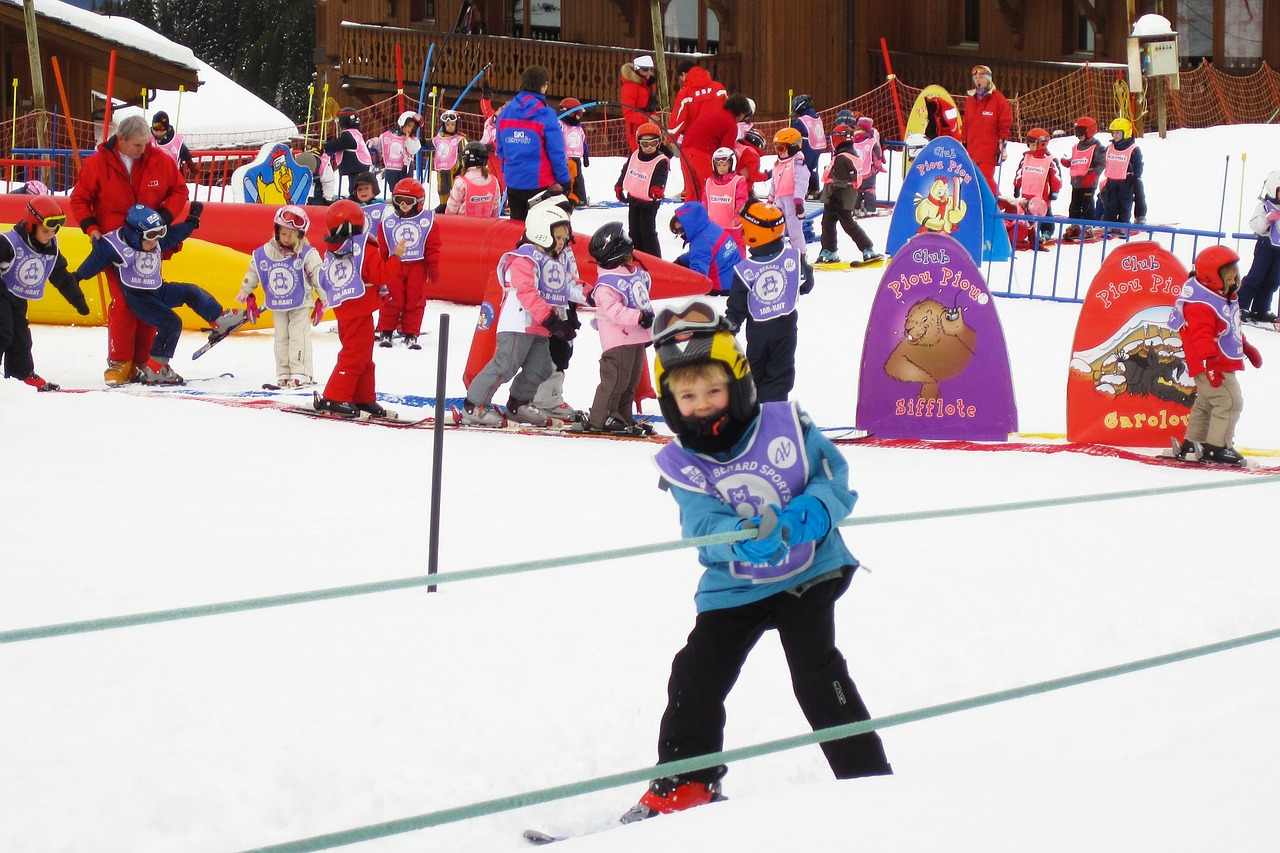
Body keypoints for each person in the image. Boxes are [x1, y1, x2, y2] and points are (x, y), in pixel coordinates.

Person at [620, 299, 891, 823]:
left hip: (807, 572)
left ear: (738, 381)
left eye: (713, 390)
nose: (702, 405)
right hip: (736, 586)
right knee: (695, 671)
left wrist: (805, 518)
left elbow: (832, 479)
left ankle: (866, 779)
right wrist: (740, 539)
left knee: (815, 671)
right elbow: (700, 527)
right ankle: (687, 782)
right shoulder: (682, 462)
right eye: (687, 395)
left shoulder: (785, 423)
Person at [69, 113, 189, 386]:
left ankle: (142, 360)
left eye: (145, 144)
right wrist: (91, 228)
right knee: (124, 301)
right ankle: (119, 361)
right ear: (120, 140)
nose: (143, 149)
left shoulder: (160, 160)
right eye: (137, 145)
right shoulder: (97, 164)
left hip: (149, 247)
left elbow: (179, 191)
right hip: (115, 246)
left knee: (148, 302)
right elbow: (79, 199)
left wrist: (164, 220)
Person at [72, 203, 246, 384]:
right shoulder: (114, 246)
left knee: (191, 292)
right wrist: (75, 278)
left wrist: (192, 221)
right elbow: (94, 262)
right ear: (133, 235)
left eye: (157, 238)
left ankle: (219, 320)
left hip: (158, 290)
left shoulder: (154, 239)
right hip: (140, 299)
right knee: (171, 323)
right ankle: (155, 368)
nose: (154, 244)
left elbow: (175, 234)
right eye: (149, 240)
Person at [457, 198, 586, 426]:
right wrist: (551, 320)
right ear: (541, 234)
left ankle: (518, 403)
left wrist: (594, 295)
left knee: (542, 367)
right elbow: (527, 293)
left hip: (539, 328)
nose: (562, 243)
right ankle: (472, 405)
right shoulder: (523, 259)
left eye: (564, 238)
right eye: (558, 238)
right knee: (505, 365)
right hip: (518, 324)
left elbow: (569, 285)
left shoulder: (551, 262)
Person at [1169, 245, 1263, 466]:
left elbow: (1231, 328)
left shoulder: (1220, 296)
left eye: (1235, 277)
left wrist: (1246, 348)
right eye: (1229, 278)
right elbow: (1200, 336)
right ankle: (1218, 446)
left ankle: (1194, 443)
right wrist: (1210, 363)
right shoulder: (1201, 304)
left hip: (1215, 362)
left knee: (1207, 402)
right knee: (1229, 401)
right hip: (1211, 363)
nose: (1233, 282)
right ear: (1213, 278)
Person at [312, 199, 406, 417]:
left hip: (346, 311)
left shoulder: (334, 249)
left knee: (363, 357)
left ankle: (362, 397)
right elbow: (380, 274)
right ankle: (334, 397)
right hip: (360, 311)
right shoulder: (364, 249)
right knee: (354, 356)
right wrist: (396, 257)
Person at [570, 221, 654, 435]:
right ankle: (599, 419)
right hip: (618, 340)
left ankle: (620, 417)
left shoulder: (633, 272)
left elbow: (641, 298)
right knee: (614, 380)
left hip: (635, 337)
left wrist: (647, 328)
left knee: (630, 382)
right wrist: (639, 317)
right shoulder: (606, 285)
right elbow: (614, 311)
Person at [725, 200, 814, 402]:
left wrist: (732, 323)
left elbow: (737, 305)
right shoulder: (794, 258)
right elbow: (807, 285)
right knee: (780, 373)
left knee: (755, 370)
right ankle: (774, 410)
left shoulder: (745, 269)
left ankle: (754, 410)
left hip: (759, 332)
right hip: (786, 328)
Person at [0, 195, 90, 391]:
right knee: (3, 331)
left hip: (16, 298)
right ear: (31, 226)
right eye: (46, 230)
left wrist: (78, 300)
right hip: (1, 293)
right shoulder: (8, 242)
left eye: (54, 230)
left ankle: (21, 374)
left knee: (21, 336)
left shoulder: (50, 250)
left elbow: (62, 277)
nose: (51, 235)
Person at [235, 205, 323, 388]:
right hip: (277, 302)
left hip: (301, 302)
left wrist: (323, 299)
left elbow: (318, 275)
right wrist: (247, 291)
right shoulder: (264, 253)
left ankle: (301, 372)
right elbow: (254, 271)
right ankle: (284, 372)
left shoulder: (307, 253)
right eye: (284, 233)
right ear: (277, 232)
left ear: (300, 234)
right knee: (281, 337)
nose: (287, 238)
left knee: (299, 336)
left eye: (292, 234)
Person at [374, 177, 441, 350]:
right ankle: (386, 330)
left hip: (417, 266)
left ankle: (411, 332)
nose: (403, 205)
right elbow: (381, 246)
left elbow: (433, 247)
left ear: (418, 202)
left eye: (408, 201)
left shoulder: (427, 221)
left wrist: (433, 268)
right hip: (394, 265)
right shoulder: (387, 222)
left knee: (415, 299)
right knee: (391, 298)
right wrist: (380, 268)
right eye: (399, 200)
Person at [496, 65, 570, 220]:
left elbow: (501, 149)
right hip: (540, 185)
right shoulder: (545, 114)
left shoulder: (505, 113)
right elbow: (556, 152)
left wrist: (508, 170)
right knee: (540, 231)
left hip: (514, 182)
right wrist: (564, 180)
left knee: (517, 229)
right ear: (543, 86)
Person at [815, 124, 879, 265]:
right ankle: (829, 249)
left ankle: (867, 248)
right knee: (828, 223)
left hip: (837, 197)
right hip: (841, 196)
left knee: (846, 224)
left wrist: (834, 198)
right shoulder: (850, 155)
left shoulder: (842, 157)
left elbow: (840, 181)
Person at [681, 93, 754, 204]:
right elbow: (725, 152)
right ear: (741, 113)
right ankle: (710, 218)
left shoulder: (713, 113)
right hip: (701, 154)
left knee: (692, 192)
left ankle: (687, 219)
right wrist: (740, 168)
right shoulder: (730, 124)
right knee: (710, 190)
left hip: (685, 152)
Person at [614, 122, 670, 259]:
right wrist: (619, 186)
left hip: (649, 203)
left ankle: (654, 259)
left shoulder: (661, 160)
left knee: (647, 232)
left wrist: (657, 188)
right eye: (645, 144)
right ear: (639, 143)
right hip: (633, 199)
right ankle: (637, 256)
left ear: (659, 143)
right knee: (634, 231)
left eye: (653, 143)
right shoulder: (634, 156)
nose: (649, 147)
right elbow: (626, 171)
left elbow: (660, 176)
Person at [671, 201, 742, 297]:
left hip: (722, 287)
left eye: (680, 230)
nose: (680, 234)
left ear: (690, 225)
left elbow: (698, 277)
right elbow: (705, 253)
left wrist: (676, 285)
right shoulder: (711, 227)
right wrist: (681, 260)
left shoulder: (701, 242)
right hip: (736, 278)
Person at [962, 64, 1013, 194]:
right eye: (976, 78)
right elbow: (966, 123)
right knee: (971, 180)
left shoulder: (998, 99)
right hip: (972, 150)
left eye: (981, 77)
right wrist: (963, 141)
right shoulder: (970, 99)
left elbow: (1005, 123)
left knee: (986, 180)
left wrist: (1002, 144)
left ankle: (999, 207)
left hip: (988, 151)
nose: (978, 80)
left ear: (988, 79)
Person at [1008, 127, 1062, 249]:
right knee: (1027, 214)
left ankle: (1047, 230)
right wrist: (1017, 186)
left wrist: (1055, 191)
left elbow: (1056, 176)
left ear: (1042, 144)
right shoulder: (1026, 158)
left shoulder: (1049, 160)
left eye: (1032, 144)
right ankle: (1030, 233)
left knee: (1045, 213)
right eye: (1029, 144)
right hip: (1027, 193)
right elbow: (1020, 173)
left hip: (1042, 195)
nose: (1030, 147)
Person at [1238, 170, 1280, 323]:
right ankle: (1241, 305)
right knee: (1257, 276)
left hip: (1279, 248)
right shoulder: (1264, 206)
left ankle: (1261, 308)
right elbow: (1255, 225)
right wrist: (1267, 219)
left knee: (1273, 279)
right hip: (1265, 245)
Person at [1060, 116, 1105, 241]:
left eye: (1080, 132)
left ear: (1090, 131)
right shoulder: (1076, 147)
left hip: (1088, 183)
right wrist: (1068, 162)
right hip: (1076, 182)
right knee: (1074, 205)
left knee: (1087, 206)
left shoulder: (1097, 147)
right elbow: (1077, 160)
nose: (1077, 136)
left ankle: (1088, 227)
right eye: (1076, 132)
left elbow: (1101, 163)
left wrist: (1093, 175)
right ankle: (1075, 226)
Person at [769, 127, 810, 252]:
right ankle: (777, 254)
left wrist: (798, 201)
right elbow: (774, 182)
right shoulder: (778, 163)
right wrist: (770, 199)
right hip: (779, 201)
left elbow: (801, 181)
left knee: (794, 231)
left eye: (781, 148)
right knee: (777, 231)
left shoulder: (797, 162)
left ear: (793, 147)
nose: (779, 152)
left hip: (792, 201)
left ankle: (801, 256)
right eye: (777, 148)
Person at [320, 107, 374, 201]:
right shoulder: (356, 133)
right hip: (361, 163)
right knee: (359, 183)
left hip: (356, 164)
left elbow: (339, 144)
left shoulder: (348, 134)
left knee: (355, 184)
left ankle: (355, 199)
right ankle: (357, 198)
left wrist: (326, 146)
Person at [702, 147, 749, 254]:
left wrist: (738, 217)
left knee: (737, 251)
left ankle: (739, 269)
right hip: (714, 226)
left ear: (731, 164)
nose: (721, 168)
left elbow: (742, 200)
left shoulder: (738, 181)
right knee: (716, 252)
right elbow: (705, 202)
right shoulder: (709, 182)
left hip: (733, 226)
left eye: (725, 165)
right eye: (718, 165)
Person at [1099, 117, 1143, 229]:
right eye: (1113, 133)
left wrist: (1136, 176)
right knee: (1110, 203)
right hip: (1111, 180)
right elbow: (1104, 160)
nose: (1115, 136)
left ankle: (1123, 224)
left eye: (1118, 133)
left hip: (1126, 181)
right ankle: (1109, 224)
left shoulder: (1133, 149)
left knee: (1125, 203)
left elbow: (1138, 163)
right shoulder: (1110, 147)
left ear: (1125, 133)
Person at [371, 110, 422, 197]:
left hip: (405, 169)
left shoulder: (413, 139)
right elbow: (382, 145)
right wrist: (375, 142)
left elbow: (413, 150)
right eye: (408, 126)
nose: (409, 129)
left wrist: (408, 140)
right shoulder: (387, 135)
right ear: (402, 122)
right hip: (391, 169)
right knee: (394, 190)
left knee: (406, 190)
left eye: (412, 128)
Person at [445, 142, 502, 218]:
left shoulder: (461, 182)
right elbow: (495, 208)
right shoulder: (494, 181)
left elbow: (452, 208)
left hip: (464, 226)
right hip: (486, 226)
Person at [789, 94, 826, 199]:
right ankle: (814, 189)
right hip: (818, 146)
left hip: (807, 146)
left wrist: (793, 122)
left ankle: (803, 190)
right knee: (811, 168)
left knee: (803, 168)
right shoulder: (816, 117)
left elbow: (794, 131)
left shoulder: (801, 120)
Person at [619, 54, 658, 152]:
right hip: (636, 131)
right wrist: (648, 119)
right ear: (637, 69)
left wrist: (653, 118)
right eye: (645, 69)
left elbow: (652, 106)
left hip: (650, 128)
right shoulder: (630, 87)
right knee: (639, 156)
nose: (648, 72)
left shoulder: (649, 85)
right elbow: (628, 113)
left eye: (650, 69)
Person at [850, 116, 887, 217]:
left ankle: (855, 208)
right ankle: (870, 209)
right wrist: (878, 167)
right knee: (869, 189)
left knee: (856, 189)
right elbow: (877, 156)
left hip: (855, 172)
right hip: (869, 172)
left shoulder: (851, 138)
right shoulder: (871, 140)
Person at [429, 110, 466, 203]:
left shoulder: (459, 138)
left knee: (455, 188)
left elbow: (463, 154)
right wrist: (422, 141)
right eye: (448, 124)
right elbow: (431, 143)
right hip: (442, 169)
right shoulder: (439, 137)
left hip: (454, 169)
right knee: (442, 188)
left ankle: (456, 205)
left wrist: (461, 168)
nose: (450, 127)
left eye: (452, 124)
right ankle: (443, 203)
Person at [558, 98, 590, 206]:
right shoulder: (560, 125)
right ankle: (565, 197)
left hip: (576, 158)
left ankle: (580, 198)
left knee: (578, 180)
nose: (580, 117)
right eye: (578, 113)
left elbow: (583, 141)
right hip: (565, 159)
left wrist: (586, 155)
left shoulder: (578, 128)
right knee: (567, 180)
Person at [148, 111, 197, 179]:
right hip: (155, 176)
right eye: (156, 131)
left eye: (161, 131)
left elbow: (185, 153)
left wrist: (191, 166)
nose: (158, 133)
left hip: (174, 176)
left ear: (167, 129)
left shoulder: (175, 140)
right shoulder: (148, 138)